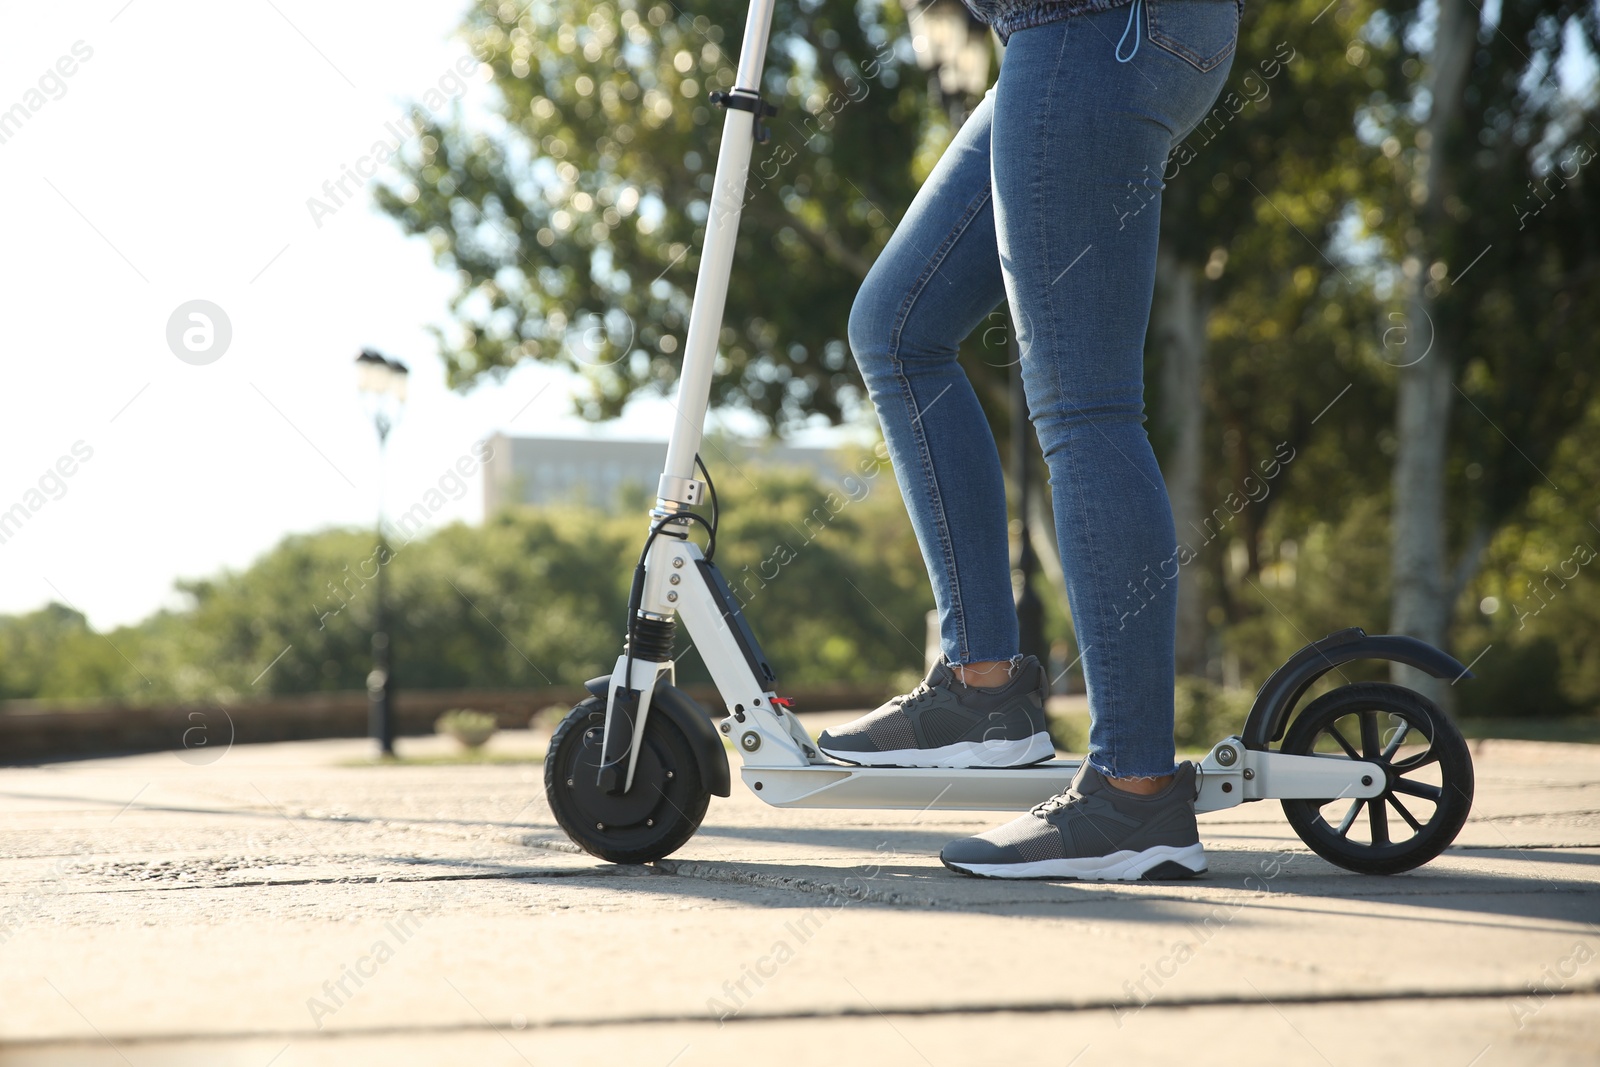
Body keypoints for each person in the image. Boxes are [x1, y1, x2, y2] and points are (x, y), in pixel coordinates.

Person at [817, 0, 1242, 880]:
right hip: (1073, 38)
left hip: (1096, 28)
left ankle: (1134, 795)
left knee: (1086, 407)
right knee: (896, 328)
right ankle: (982, 691)